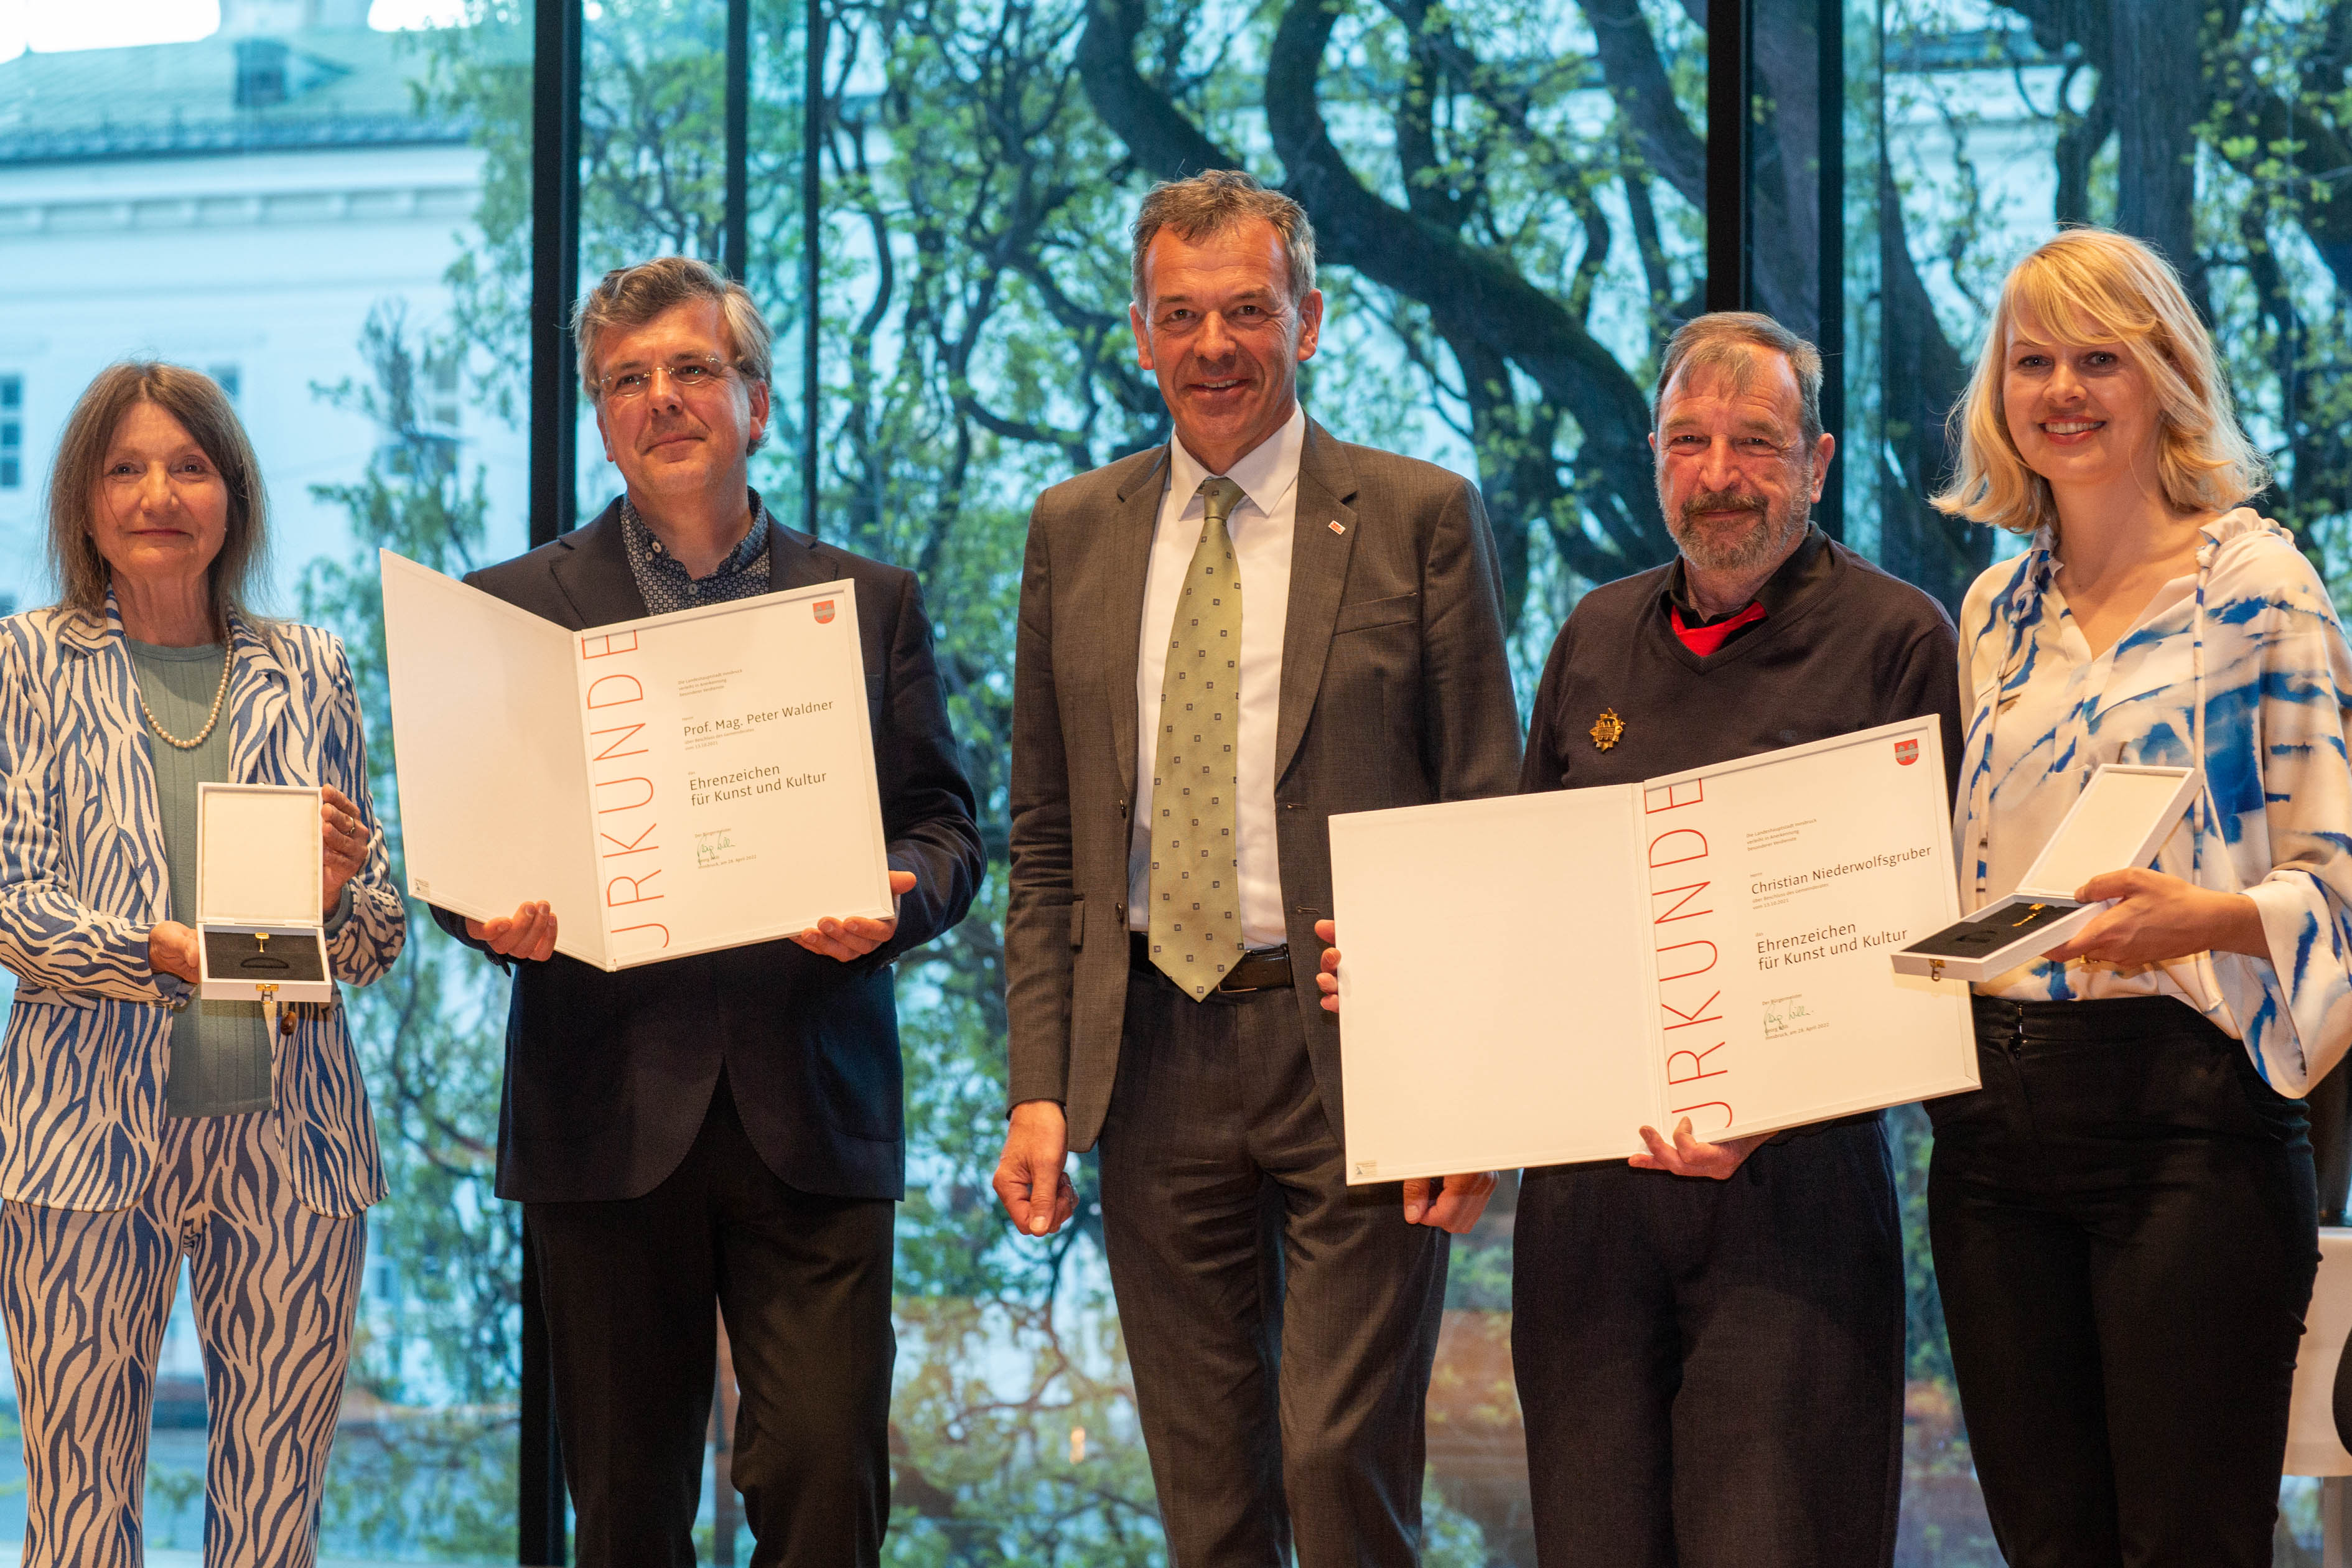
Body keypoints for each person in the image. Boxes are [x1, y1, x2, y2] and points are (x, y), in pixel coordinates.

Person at [1322, 312, 1964, 1567]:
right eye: (1691, 441)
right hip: (1589, 1211)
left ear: (1819, 463)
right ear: (1653, 453)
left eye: (1758, 444)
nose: (1721, 474)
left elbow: (1930, 946)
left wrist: (1767, 1113)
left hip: (1796, 1200)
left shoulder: (1899, 639)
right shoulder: (1595, 634)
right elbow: (1527, 910)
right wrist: (1419, 996)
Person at [992, 169, 1519, 1567]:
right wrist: (1038, 1086)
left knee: (1340, 1461)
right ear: (1140, 332)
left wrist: (1474, 1089)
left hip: (1357, 1045)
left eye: (1247, 310)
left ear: (1310, 320)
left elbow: (1485, 811)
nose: (1215, 344)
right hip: (1150, 1051)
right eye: (1183, 314)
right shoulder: (1073, 531)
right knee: (1209, 1494)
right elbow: (1046, 839)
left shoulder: (1418, 517)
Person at [429, 256, 984, 1566]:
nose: (662, 399)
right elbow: (465, 856)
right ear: (602, 415)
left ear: (757, 400)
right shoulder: (513, 611)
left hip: (814, 1109)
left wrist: (900, 903)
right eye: (628, 380)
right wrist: (485, 915)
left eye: (693, 370)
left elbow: (949, 828)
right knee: (623, 1509)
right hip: (604, 1109)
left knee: (822, 1487)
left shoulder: (869, 602)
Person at [1925, 227, 2350, 1566]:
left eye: (2100, 357)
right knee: (2047, 1547)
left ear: (2165, 373)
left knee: (2187, 1546)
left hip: (2192, 1134)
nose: (2064, 389)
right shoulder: (1990, 609)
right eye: (2032, 359)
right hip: (1991, 1138)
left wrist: (2210, 919)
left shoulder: (2260, 588)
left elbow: (2341, 881)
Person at [0, 362, 404, 1564]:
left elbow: (378, 932)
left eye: (189, 465)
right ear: (82, 502)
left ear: (233, 494)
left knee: (276, 1521)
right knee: (76, 1518)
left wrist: (332, 898)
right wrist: (153, 951)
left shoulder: (312, 667)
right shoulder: (24, 662)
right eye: (124, 468)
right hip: (80, 1139)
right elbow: (14, 902)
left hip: (290, 1137)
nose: (157, 493)